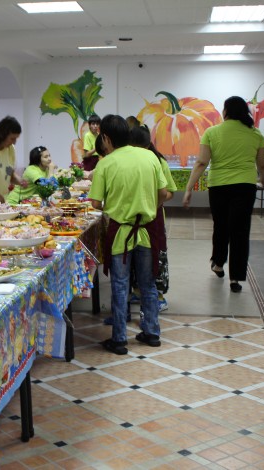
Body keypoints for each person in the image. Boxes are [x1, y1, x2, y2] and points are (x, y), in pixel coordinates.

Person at [89, 114, 168, 355]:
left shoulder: (105, 164)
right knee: (148, 283)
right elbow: (163, 193)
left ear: (106, 138)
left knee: (120, 285)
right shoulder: (149, 156)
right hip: (146, 230)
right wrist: (148, 209)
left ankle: (120, 339)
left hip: (121, 233)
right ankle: (152, 332)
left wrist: (114, 206)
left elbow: (95, 203)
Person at [182, 96, 264, 293]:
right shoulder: (255, 134)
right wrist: (263, 180)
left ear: (226, 111)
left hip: (219, 186)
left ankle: (219, 264)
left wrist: (189, 188)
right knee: (240, 230)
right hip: (245, 187)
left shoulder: (212, 132)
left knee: (221, 226)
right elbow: (262, 164)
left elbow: (201, 162)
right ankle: (235, 278)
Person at [129, 125, 177, 312]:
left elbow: (169, 192)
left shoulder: (158, 162)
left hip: (153, 218)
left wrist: (153, 204)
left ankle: (159, 296)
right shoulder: (126, 162)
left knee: (156, 256)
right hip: (132, 217)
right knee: (135, 256)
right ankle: (137, 291)